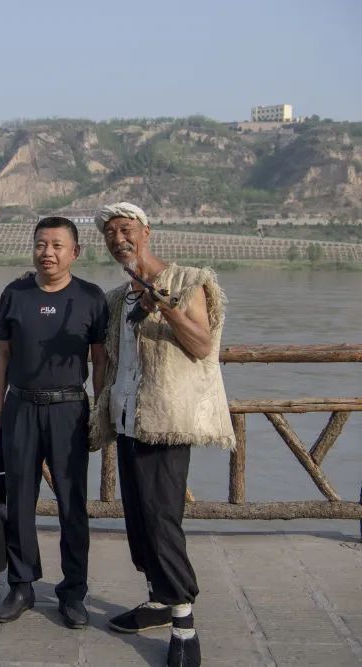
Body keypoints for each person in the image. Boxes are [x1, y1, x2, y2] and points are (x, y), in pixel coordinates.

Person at [91, 202, 236, 667]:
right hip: (127, 419)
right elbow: (108, 359)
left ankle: (184, 625)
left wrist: (166, 306)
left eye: (125, 229)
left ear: (146, 231)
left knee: (161, 520)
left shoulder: (189, 281)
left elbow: (202, 345)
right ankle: (157, 600)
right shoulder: (117, 298)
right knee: (137, 519)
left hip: (166, 421)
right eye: (110, 233)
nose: (118, 239)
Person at [0, 216, 109, 629]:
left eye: (58, 245)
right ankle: (21, 585)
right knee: (18, 500)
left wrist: (101, 410)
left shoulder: (91, 298)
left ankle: (73, 592)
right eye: (41, 244)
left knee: (72, 503)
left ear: (75, 252)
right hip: (20, 407)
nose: (48, 253)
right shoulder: (15, 294)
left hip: (69, 410)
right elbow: (2, 355)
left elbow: (100, 360)